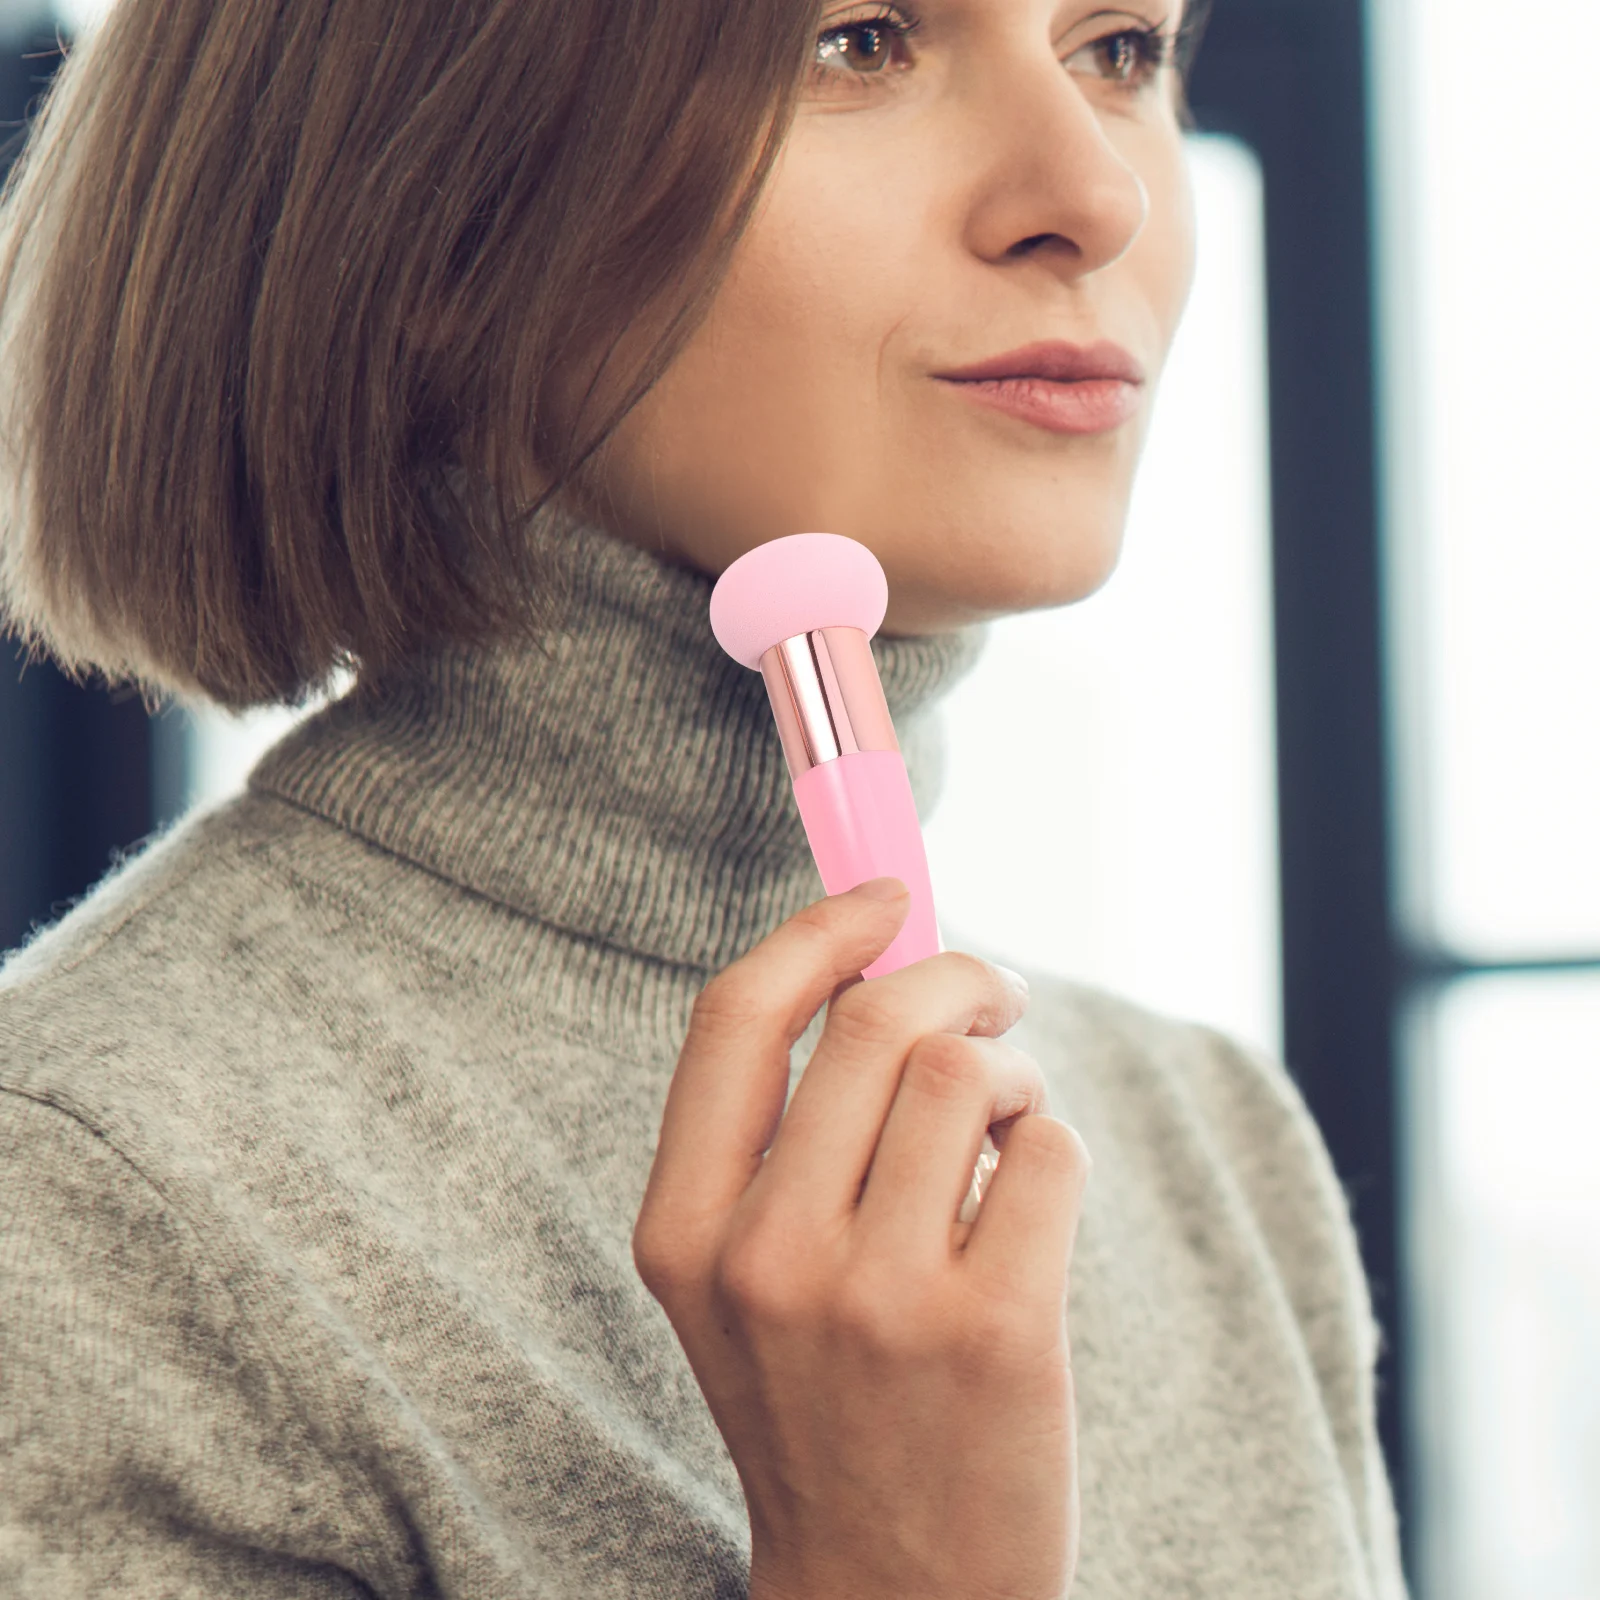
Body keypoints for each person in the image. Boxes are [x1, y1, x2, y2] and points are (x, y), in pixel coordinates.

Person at [0, 0, 1408, 1596]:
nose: (1098, 195)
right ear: (434, 223)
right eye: (861, 41)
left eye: (1121, 50)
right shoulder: (79, 1207)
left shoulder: (1209, 1146)